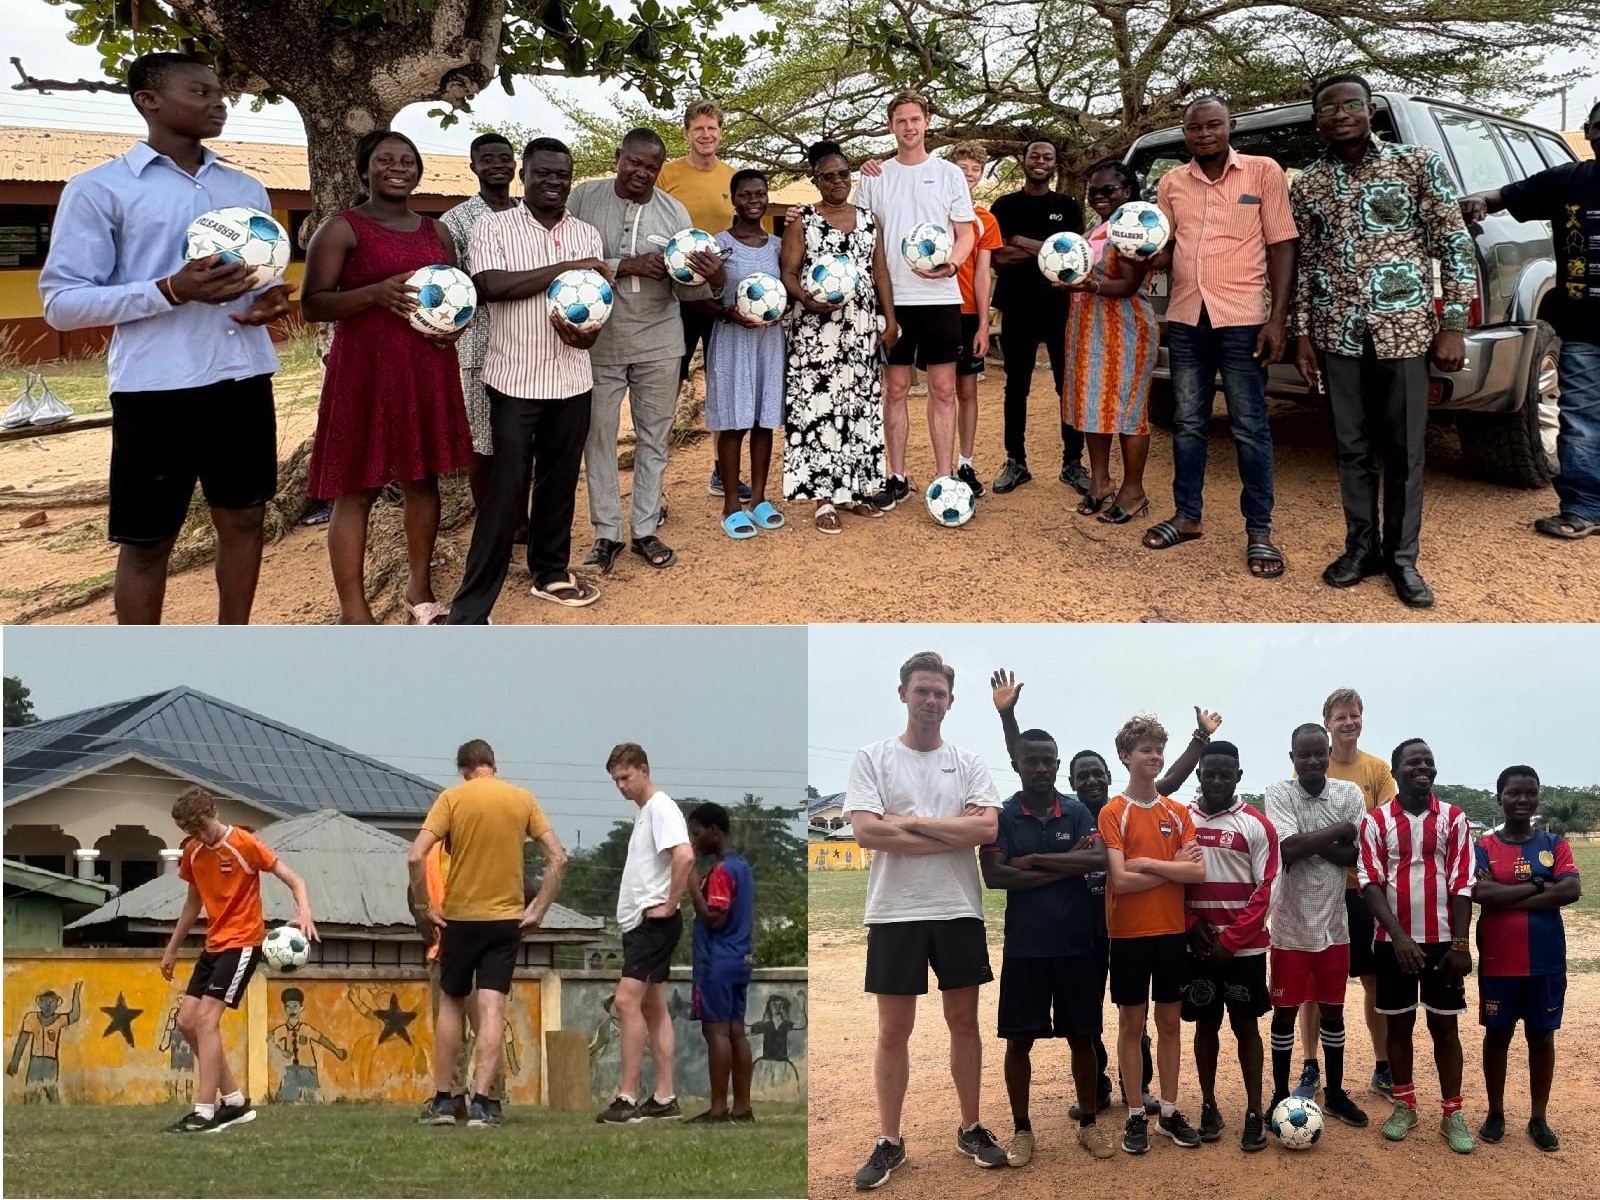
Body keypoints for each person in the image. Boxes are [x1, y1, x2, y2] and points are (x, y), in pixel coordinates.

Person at [38, 52, 292, 625]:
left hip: (243, 377)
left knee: (245, 518)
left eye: (220, 92)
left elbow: (259, 281)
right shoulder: (100, 189)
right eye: (200, 92)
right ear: (148, 101)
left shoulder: (245, 188)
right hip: (156, 387)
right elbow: (61, 304)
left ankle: (235, 646)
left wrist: (268, 302)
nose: (218, 102)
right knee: (149, 540)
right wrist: (170, 290)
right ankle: (145, 658)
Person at [989, 670, 1221, 1114]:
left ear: (1110, 773)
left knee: (1136, 1017)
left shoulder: (1126, 808)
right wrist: (1008, 717)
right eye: (1083, 776)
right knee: (1089, 1016)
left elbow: (1169, 779)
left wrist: (1199, 738)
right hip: (1088, 930)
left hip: (1129, 926)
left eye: (1098, 774)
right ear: (1072, 782)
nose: (1092, 781)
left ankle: (1142, 1087)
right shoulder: (1080, 812)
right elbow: (1025, 758)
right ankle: (1096, 1090)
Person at [1291, 74, 1476, 609]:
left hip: (1404, 330)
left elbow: (1453, 243)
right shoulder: (1307, 185)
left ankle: (1402, 559)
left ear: (1370, 110)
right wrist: (1302, 333)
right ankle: (1361, 549)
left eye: (1351, 104)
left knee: (1405, 449)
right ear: (1317, 121)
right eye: (1328, 109)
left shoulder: (1415, 164)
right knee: (1350, 447)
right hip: (1337, 332)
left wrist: (1453, 323)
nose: (1340, 114)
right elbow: (1305, 263)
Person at [845, 651, 1007, 1188]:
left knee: (964, 1023)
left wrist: (909, 822)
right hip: (895, 911)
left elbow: (985, 831)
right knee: (894, 1029)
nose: (931, 701)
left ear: (951, 701)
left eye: (940, 693)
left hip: (958, 907)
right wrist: (950, 829)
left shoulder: (968, 762)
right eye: (922, 691)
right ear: (903, 694)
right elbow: (866, 832)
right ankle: (890, 1140)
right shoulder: (873, 758)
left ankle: (971, 1127)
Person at [300, 130, 475, 625]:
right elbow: (312, 304)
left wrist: (452, 329)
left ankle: (419, 590)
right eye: (385, 160)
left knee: (422, 481)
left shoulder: (437, 232)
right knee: (356, 489)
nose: (398, 168)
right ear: (364, 170)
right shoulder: (342, 228)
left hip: (425, 369)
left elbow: (452, 296)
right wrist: (374, 294)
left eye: (407, 160)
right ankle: (353, 610)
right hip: (366, 374)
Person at [445, 137, 607, 623]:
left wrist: (589, 337)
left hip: (573, 379)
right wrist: (567, 267)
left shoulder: (587, 234)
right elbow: (490, 286)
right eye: (544, 173)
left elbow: (595, 304)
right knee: (505, 491)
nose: (554, 182)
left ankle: (550, 572)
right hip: (515, 381)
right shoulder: (493, 227)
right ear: (525, 175)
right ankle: (471, 608)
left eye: (562, 175)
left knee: (559, 485)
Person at [1146, 95, 1296, 578]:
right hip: (1188, 318)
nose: (1205, 134)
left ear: (1231, 126)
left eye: (1213, 125)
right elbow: (1167, 248)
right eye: (1195, 127)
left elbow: (1282, 244)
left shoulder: (1263, 172)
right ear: (1184, 133)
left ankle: (1260, 531)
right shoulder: (1172, 182)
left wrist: (1277, 319)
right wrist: (1138, 253)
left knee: (1249, 426)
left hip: (1243, 319)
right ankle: (1187, 516)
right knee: (1188, 423)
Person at [569, 129, 715, 573]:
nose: (641, 173)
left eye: (651, 167)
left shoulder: (674, 212)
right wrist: (623, 265)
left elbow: (689, 292)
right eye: (634, 162)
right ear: (618, 157)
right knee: (599, 438)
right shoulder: (584, 199)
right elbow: (568, 262)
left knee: (654, 438)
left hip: (660, 341)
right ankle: (606, 534)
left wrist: (709, 277)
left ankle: (646, 529)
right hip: (600, 341)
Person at [407, 739, 569, 1128]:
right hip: (505, 919)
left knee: (451, 1003)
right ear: (494, 764)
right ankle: (483, 1103)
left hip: (460, 918)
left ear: (464, 770)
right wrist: (539, 908)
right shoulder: (522, 799)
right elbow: (559, 858)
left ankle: (445, 1101)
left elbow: (415, 856)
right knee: (492, 1007)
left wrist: (425, 907)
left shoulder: (452, 798)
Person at [1460, 102, 1600, 540]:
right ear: (1588, 132)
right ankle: (1585, 508)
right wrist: (1476, 201)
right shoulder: (1568, 180)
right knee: (1581, 420)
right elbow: (1502, 196)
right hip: (1584, 328)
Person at [979, 726, 1111, 1163]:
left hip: (1075, 945)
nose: (1040, 768)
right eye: (1031, 761)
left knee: (1083, 1038)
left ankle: (1089, 1125)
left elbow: (1097, 858)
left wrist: (1034, 861)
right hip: (1025, 948)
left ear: (1056, 765)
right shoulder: (1002, 816)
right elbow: (995, 876)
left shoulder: (1075, 811)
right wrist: (1066, 865)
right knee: (1018, 1043)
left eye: (1047, 761)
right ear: (1016, 764)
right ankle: (1022, 1131)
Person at [159, 786, 318, 1132]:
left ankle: (204, 1113)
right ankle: (233, 1102)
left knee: (206, 1021)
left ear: (214, 812)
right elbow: (192, 903)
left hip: (243, 943)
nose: (201, 835)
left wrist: (304, 912)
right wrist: (171, 948)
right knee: (186, 1022)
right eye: (192, 831)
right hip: (213, 945)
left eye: (202, 826)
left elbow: (295, 879)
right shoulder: (193, 853)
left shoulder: (245, 844)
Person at [854, 92, 976, 502]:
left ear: (927, 123)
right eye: (901, 120)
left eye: (915, 119)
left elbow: (966, 233)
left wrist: (952, 265)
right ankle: (897, 477)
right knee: (896, 389)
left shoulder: (948, 174)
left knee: (943, 390)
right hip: (893, 300)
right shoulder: (874, 176)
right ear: (890, 126)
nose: (909, 127)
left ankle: (944, 479)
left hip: (940, 297)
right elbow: (858, 232)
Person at [1357, 738, 1476, 1152]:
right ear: (1396, 771)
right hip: (1393, 944)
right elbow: (1369, 882)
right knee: (1399, 1024)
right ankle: (1404, 1106)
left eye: (1428, 761)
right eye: (1413, 762)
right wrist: (1399, 937)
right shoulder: (1375, 821)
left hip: (1444, 944)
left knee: (1445, 1027)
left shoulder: (1454, 818)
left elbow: (1463, 882)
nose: (1422, 767)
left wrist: (1460, 944)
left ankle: (1452, 1114)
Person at [1099, 713, 1207, 1154]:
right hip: (1128, 934)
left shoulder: (1177, 813)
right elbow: (1121, 881)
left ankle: (1169, 1111)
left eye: (1159, 750)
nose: (1155, 756)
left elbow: (1196, 872)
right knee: (1131, 1024)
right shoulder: (1113, 812)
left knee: (1169, 1024)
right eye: (1146, 750)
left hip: (1170, 932)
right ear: (1125, 756)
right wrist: (1170, 869)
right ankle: (1134, 1114)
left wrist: (1148, 864)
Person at [780, 142, 896, 534]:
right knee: (819, 409)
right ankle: (824, 498)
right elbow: (788, 273)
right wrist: (804, 298)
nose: (837, 182)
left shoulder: (869, 220)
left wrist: (890, 320)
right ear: (815, 181)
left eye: (843, 174)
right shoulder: (804, 220)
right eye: (827, 176)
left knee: (859, 405)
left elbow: (880, 273)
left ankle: (855, 491)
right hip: (817, 330)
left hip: (860, 328)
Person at [1295, 687, 1399, 1103]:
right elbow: (1298, 833)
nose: (1349, 722)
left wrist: (1330, 838)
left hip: (1364, 890)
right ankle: (1310, 1065)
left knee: (1373, 980)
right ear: (1327, 724)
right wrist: (1342, 835)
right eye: (1341, 716)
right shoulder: (1312, 764)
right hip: (1320, 890)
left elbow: (1384, 826)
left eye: (1354, 714)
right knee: (1313, 985)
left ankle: (1383, 1066)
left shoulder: (1377, 769)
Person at [1263, 724, 1369, 1130]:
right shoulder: (1279, 792)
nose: (1311, 761)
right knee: (1284, 1015)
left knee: (1333, 1013)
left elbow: (1353, 855)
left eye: (1318, 753)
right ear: (1292, 758)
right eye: (1303, 755)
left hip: (1334, 927)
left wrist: (1309, 842)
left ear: (1328, 754)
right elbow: (1287, 848)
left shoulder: (1349, 793)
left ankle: (1336, 1093)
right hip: (1290, 927)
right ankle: (1278, 1094)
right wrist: (1338, 831)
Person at [1472, 765, 1582, 1151]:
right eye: (1514, 793)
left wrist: (1509, 896)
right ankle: (1495, 1112)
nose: (1522, 800)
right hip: (1499, 959)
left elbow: (1570, 890)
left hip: (1545, 960)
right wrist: (1538, 885)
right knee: (1497, 1035)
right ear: (1499, 798)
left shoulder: (1555, 843)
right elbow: (1481, 894)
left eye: (1530, 793)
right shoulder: (1484, 847)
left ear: (1537, 797)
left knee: (1541, 1035)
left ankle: (1538, 1118)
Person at [1181, 739, 1276, 1151]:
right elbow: (1170, 881)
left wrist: (1232, 940)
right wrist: (1189, 923)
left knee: (1245, 1026)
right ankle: (1209, 1106)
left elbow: (1266, 888)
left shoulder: (1256, 824)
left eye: (1225, 774)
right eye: (1209, 773)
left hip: (1244, 949)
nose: (1216, 780)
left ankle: (1254, 1113)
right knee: (1206, 1025)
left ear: (1238, 776)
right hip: (1197, 947)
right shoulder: (1181, 820)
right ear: (1198, 774)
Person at [656, 99, 752, 503]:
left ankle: (720, 470)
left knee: (720, 381)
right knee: (667, 384)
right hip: (674, 297)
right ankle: (654, 486)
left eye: (712, 128)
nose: (706, 135)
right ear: (686, 133)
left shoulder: (733, 178)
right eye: (699, 128)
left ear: (721, 133)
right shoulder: (666, 175)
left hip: (719, 295)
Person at [598, 742, 696, 1123]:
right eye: (616, 780)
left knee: (626, 1002)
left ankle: (627, 1096)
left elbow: (684, 856)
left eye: (626, 776)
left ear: (644, 770)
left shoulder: (660, 808)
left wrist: (669, 904)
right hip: (640, 924)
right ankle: (665, 1096)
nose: (621, 786)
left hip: (653, 924)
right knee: (653, 1007)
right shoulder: (645, 814)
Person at [1059, 159, 1160, 525]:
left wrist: (1092, 286)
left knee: (1128, 413)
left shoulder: (1133, 228)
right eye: (1094, 191)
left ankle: (1133, 492)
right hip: (1087, 328)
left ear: (1127, 192)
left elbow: (1130, 284)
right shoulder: (1097, 229)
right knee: (1092, 408)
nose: (1099, 196)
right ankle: (1100, 482)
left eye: (1109, 190)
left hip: (1125, 329)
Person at [987, 137, 1089, 494]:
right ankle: (1016, 462)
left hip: (1061, 307)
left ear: (1055, 164)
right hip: (1017, 307)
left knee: (1068, 386)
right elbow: (998, 257)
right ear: (1024, 161)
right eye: (1035, 156)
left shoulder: (1068, 206)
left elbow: (1072, 257)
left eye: (1048, 157)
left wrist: (1019, 240)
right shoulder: (1004, 205)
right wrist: (1049, 249)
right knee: (1016, 387)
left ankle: (1073, 463)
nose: (1041, 161)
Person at [697, 169, 786, 538]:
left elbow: (788, 289)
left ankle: (760, 499)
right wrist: (726, 310)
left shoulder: (778, 246)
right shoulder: (717, 246)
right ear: (733, 200)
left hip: (769, 341)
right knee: (734, 423)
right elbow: (697, 299)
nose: (754, 201)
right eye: (746, 195)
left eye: (760, 194)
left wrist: (780, 312)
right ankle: (731, 504)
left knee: (764, 422)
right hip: (733, 341)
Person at [439, 132, 520, 508]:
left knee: (522, 438)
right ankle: (489, 521)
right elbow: (453, 287)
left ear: (515, 164)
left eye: (504, 158)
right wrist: (498, 286)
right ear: (473, 167)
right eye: (488, 159)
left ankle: (520, 522)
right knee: (484, 441)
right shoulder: (455, 221)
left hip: (528, 342)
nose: (498, 165)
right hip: (480, 345)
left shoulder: (529, 214)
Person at [421, 839, 504, 1116]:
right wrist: (424, 921)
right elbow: (416, 889)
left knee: (485, 1022)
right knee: (448, 1026)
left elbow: (520, 887)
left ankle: (490, 1096)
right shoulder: (430, 851)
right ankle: (452, 1095)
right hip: (442, 950)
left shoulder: (483, 847)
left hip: (478, 949)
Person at [685, 802, 756, 1123]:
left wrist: (692, 886)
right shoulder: (741, 866)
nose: (694, 840)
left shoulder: (722, 871)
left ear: (714, 831)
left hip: (717, 961)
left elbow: (715, 917)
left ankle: (717, 1109)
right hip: (740, 959)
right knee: (736, 1032)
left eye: (697, 833)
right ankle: (742, 1107)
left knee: (716, 1032)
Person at [947, 142, 1003, 497]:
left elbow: (983, 274)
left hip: (967, 313)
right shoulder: (933, 210)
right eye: (962, 167)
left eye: (975, 169)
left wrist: (984, 324)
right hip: (935, 309)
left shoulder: (985, 219)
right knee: (939, 391)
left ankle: (965, 462)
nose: (968, 174)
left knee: (967, 390)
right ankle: (936, 467)